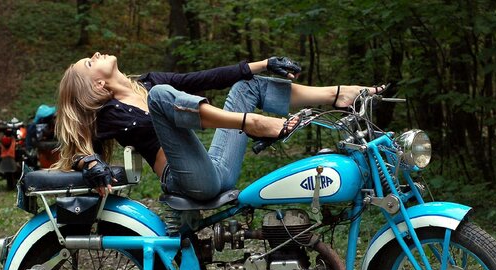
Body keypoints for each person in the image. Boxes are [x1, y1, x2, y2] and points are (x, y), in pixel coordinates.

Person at [54, 52, 378, 199]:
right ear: (95, 86)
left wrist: (264, 64)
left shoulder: (149, 82)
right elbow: (79, 151)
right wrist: (89, 162)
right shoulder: (110, 113)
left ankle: (339, 95)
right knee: (163, 97)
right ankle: (253, 123)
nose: (96, 54)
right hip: (187, 181)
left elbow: (204, 78)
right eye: (90, 62)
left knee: (245, 85)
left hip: (214, 167)